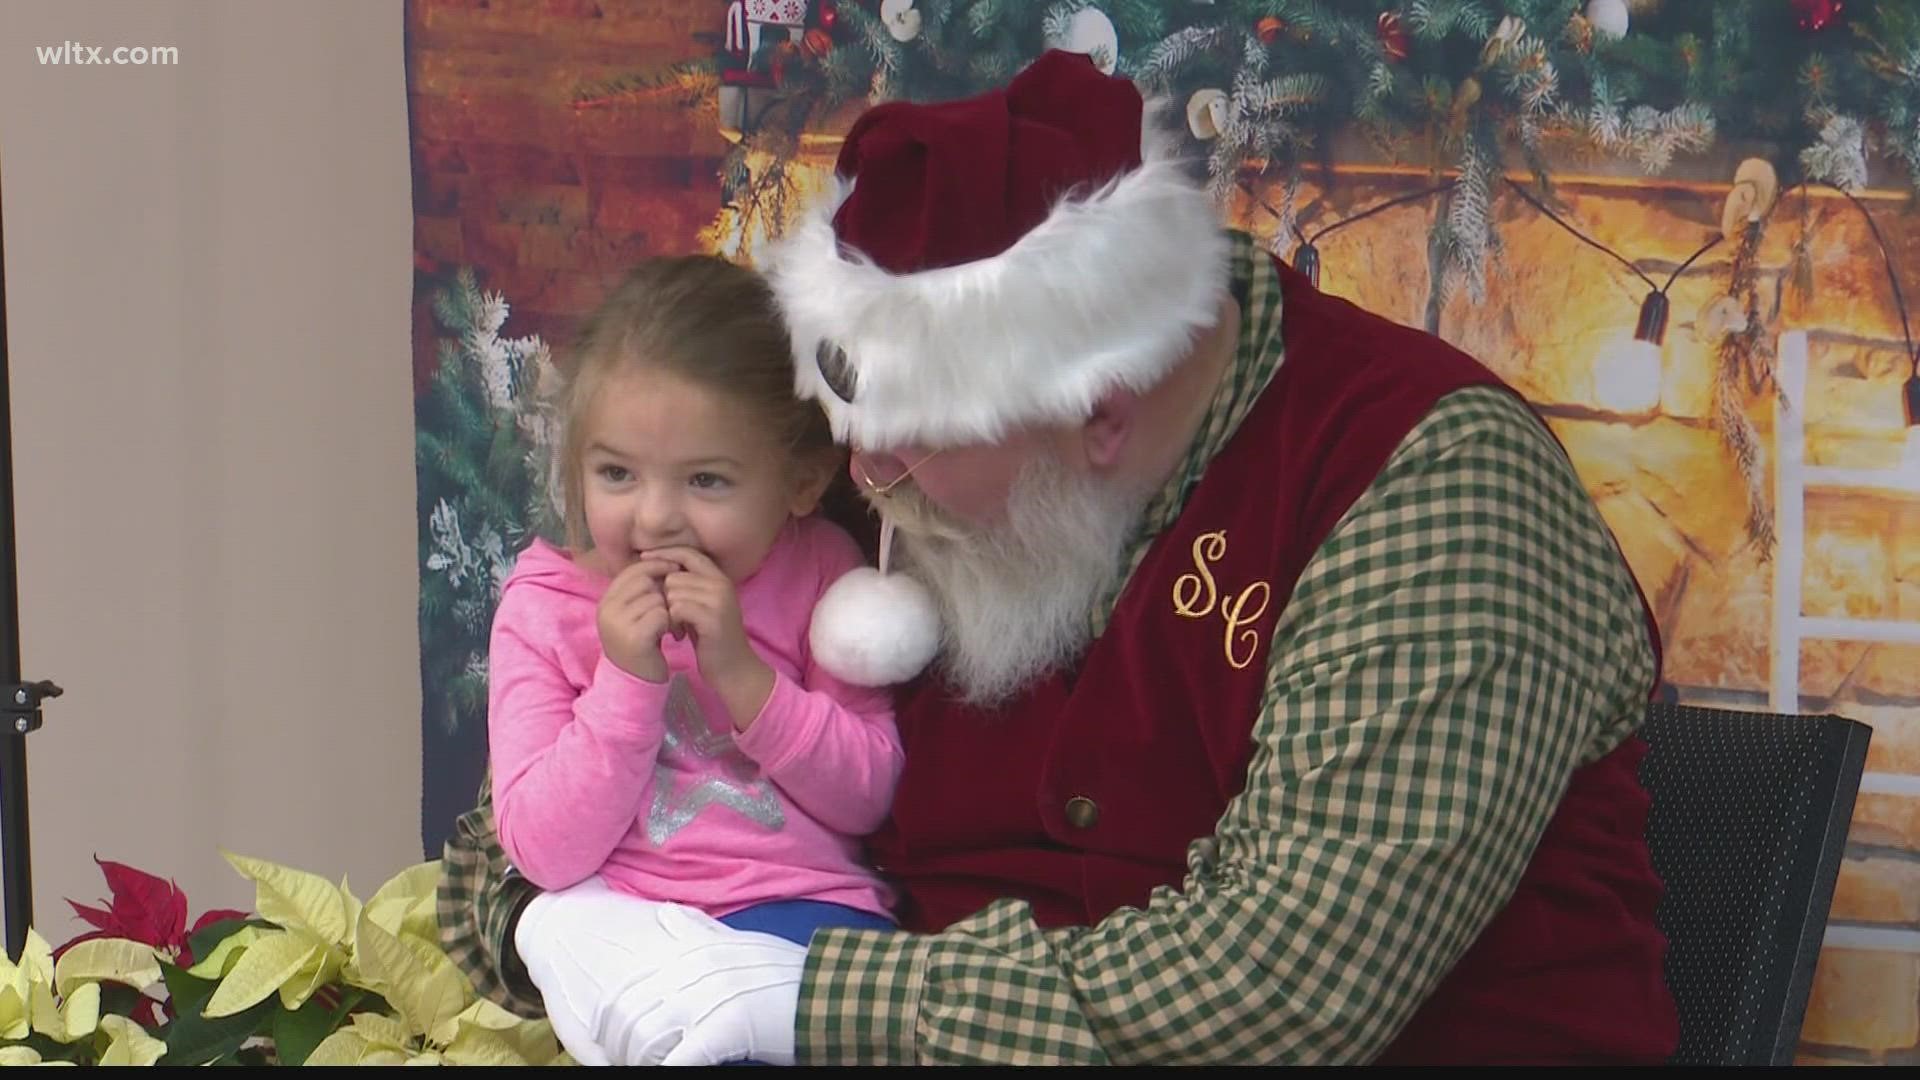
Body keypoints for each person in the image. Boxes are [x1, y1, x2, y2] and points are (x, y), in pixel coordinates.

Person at [437, 50, 1680, 1065]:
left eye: (906, 445)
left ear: (1100, 409)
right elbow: (530, 811)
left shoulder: (1430, 488)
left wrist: (797, 996)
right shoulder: (907, 438)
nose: (863, 482)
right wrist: (556, 925)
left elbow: (1277, 992)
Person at [476, 253, 906, 1065]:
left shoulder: (820, 570)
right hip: (631, 936)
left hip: (806, 928)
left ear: (802, 480)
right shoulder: (544, 608)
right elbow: (541, 848)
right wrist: (627, 684)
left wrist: (745, 678)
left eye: (706, 480)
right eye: (616, 474)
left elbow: (868, 794)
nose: (655, 518)